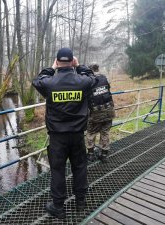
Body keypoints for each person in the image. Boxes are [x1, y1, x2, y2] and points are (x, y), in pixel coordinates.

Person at [32, 48, 96, 219]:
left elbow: (37, 80)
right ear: (72, 62)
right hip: (77, 135)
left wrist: (51, 68)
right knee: (80, 167)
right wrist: (80, 65)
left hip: (57, 137)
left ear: (58, 61)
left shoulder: (50, 82)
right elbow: (93, 79)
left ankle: (58, 206)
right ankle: (80, 202)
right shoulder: (82, 81)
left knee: (58, 170)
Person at [86, 63, 115, 163]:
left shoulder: (88, 81)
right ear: (98, 69)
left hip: (95, 113)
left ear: (89, 70)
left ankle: (90, 155)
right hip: (109, 111)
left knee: (91, 132)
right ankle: (104, 155)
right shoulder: (104, 78)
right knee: (105, 132)